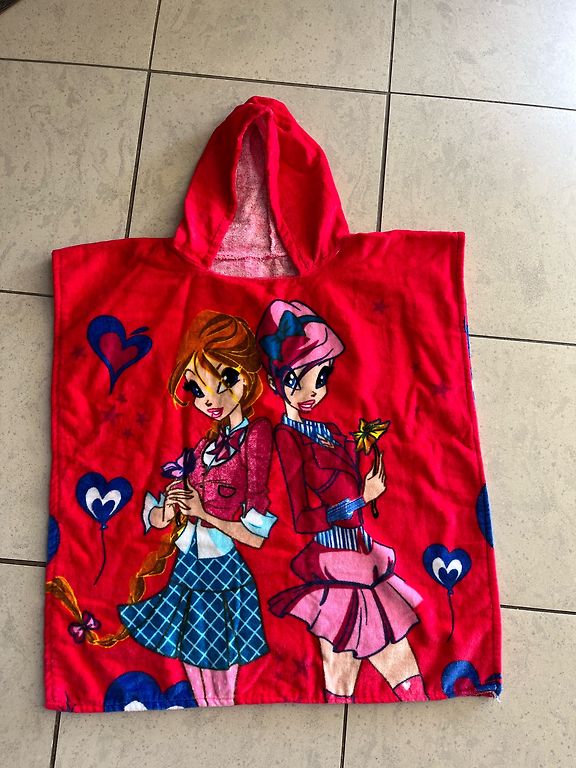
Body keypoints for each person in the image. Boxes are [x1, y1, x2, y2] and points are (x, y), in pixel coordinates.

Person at [256, 298, 427, 703]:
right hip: (334, 568)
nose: (311, 391)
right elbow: (303, 518)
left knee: (382, 673)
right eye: (295, 380)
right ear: (276, 383)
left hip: (366, 558)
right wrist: (359, 500)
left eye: (320, 377)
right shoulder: (288, 437)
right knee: (347, 679)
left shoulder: (332, 432)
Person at [118, 310, 277, 707]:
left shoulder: (256, 436)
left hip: (224, 569)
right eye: (198, 389)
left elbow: (256, 536)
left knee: (222, 681)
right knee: (192, 664)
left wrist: (204, 513)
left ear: (248, 376)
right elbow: (164, 512)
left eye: (226, 381)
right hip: (187, 565)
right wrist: (168, 509)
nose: (211, 400)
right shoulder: (205, 445)